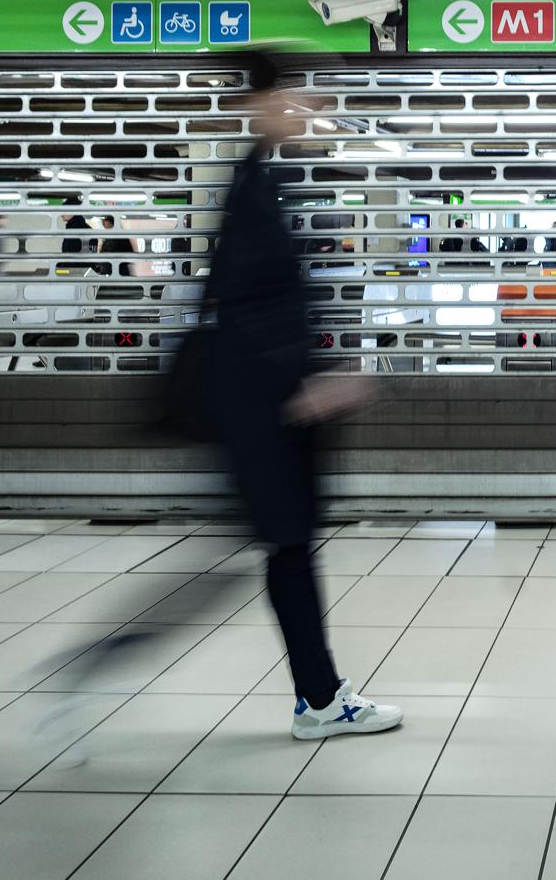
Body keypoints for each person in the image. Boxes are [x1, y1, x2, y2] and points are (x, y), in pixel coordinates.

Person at [208, 49, 403, 740]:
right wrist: (306, 387)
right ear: (257, 102)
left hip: (263, 403)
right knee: (269, 553)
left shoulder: (261, 177)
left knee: (282, 549)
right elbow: (240, 307)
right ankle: (87, 672)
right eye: (292, 96)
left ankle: (318, 697)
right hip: (262, 407)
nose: (306, 108)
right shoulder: (250, 188)